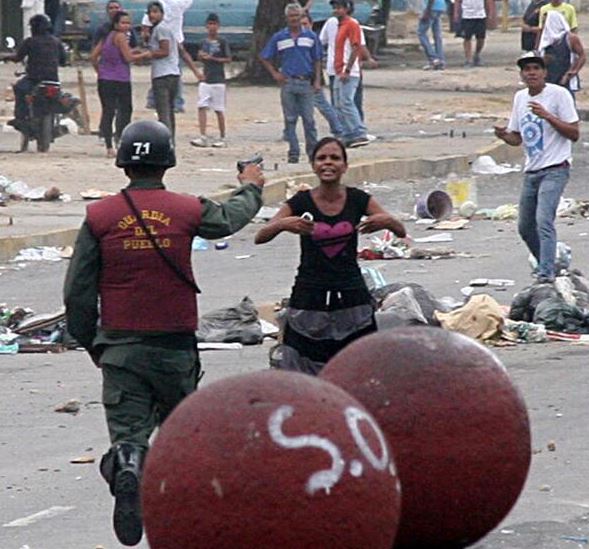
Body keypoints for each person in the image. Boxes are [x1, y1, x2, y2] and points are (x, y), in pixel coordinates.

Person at [64, 119, 265, 546]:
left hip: (120, 348)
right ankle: (192, 509)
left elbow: (77, 293)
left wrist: (93, 343)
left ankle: (131, 465)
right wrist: (251, 185)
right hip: (174, 346)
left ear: (122, 163)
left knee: (128, 436)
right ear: (167, 160)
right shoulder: (187, 209)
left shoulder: (99, 217)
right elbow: (230, 219)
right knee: (184, 435)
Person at [255, 137, 406, 374]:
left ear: (345, 166)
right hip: (309, 296)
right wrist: (283, 224)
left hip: (352, 297)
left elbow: (401, 231)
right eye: (321, 158)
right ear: (313, 165)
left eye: (335, 158)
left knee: (360, 365)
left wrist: (388, 221)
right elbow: (261, 236)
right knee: (301, 366)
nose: (328, 163)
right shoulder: (301, 202)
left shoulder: (358, 199)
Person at [494, 52, 579, 283]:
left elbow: (574, 133)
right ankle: (547, 264)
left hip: (556, 168)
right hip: (532, 170)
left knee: (544, 221)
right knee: (525, 226)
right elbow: (517, 139)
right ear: (521, 75)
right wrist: (503, 135)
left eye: (535, 68)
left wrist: (548, 116)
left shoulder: (558, 95)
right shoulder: (520, 98)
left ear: (544, 73)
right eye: (527, 69)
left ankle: (546, 275)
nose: (531, 73)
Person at [260, 3, 321, 164]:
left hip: (306, 82)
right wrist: (275, 73)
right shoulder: (280, 37)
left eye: (297, 16)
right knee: (290, 119)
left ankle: (312, 152)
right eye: (291, 16)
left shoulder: (310, 37)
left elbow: (317, 59)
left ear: (302, 18)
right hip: (288, 82)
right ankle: (293, 152)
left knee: (309, 119)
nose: (294, 19)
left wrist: (317, 80)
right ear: (286, 18)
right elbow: (265, 56)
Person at [91, 11, 150, 158]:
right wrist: (145, 54)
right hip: (120, 79)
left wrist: (100, 71)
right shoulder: (121, 36)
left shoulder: (107, 36)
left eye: (128, 23)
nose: (126, 26)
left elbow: (93, 56)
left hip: (105, 79)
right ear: (116, 24)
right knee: (125, 110)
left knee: (108, 111)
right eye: (123, 23)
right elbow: (128, 58)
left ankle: (108, 145)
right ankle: (120, 140)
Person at [143, 1, 199, 140]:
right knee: (169, 111)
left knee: (163, 112)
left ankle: (165, 141)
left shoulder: (160, 29)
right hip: (174, 73)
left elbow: (164, 51)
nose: (153, 15)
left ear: (162, 14)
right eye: (150, 12)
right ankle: (170, 141)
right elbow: (182, 51)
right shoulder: (169, 29)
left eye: (156, 12)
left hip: (162, 75)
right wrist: (196, 71)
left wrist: (147, 54)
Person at [4, 14, 66, 131]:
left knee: (19, 88)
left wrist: (6, 58)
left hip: (34, 78)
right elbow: (64, 60)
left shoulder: (30, 41)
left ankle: (20, 118)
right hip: (53, 79)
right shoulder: (56, 42)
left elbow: (18, 57)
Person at [331, 0, 370, 147]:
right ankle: (347, 134)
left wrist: (347, 69)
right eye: (334, 8)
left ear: (346, 9)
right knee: (338, 104)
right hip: (339, 69)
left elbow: (356, 47)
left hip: (349, 71)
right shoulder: (339, 26)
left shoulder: (352, 24)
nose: (336, 10)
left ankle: (359, 132)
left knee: (346, 102)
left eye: (339, 7)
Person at [190, 12, 232, 148]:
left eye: (214, 24)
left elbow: (228, 59)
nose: (212, 27)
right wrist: (201, 57)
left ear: (218, 26)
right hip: (205, 79)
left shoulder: (222, 41)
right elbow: (199, 57)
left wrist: (213, 58)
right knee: (202, 106)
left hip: (218, 79)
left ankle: (223, 136)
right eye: (209, 24)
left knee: (219, 109)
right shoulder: (203, 42)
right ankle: (203, 135)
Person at [300, 11, 343, 138]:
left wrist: (316, 80)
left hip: (312, 77)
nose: (303, 27)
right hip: (300, 78)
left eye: (305, 24)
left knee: (323, 105)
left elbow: (317, 60)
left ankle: (338, 128)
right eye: (301, 24)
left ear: (311, 24)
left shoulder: (313, 39)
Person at [539, 11, 585, 97]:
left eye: (546, 22)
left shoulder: (570, 38)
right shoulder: (545, 40)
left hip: (564, 78)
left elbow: (581, 56)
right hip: (549, 78)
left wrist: (571, 72)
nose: (544, 25)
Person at [454, 0, 493, 67]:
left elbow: (488, 1)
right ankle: (468, 59)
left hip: (480, 15)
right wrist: (456, 13)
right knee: (467, 38)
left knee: (481, 38)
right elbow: (457, 1)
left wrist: (490, 13)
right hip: (466, 16)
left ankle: (477, 54)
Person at [418, 0, 446, 70]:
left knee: (421, 33)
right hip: (440, 6)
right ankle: (440, 60)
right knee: (437, 35)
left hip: (432, 7)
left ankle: (433, 58)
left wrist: (427, 11)